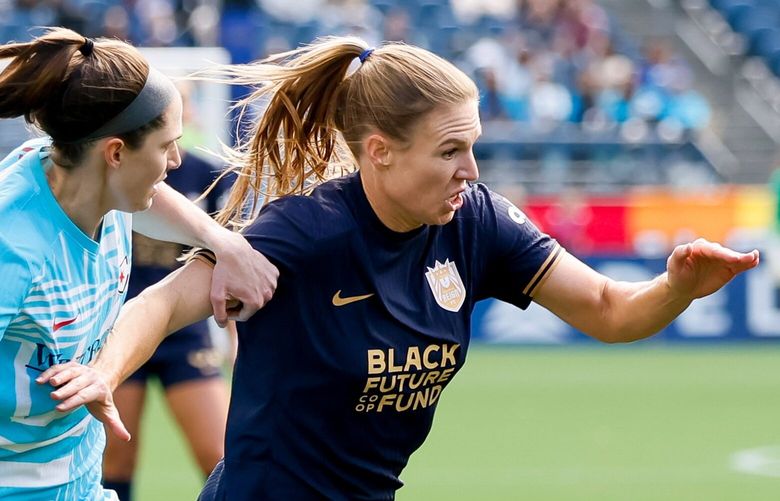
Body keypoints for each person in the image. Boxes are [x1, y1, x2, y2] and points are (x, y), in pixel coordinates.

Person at [42, 37, 759, 500]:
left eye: (473, 146)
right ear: (380, 151)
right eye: (449, 151)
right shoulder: (307, 229)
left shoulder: (476, 220)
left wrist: (675, 287)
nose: (470, 171)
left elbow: (607, 307)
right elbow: (162, 303)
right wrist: (105, 370)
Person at [0, 27, 278, 500]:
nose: (175, 161)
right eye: (166, 145)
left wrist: (221, 242)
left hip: (81, 486)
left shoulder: (77, 176)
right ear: (116, 154)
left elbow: (157, 205)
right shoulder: (14, 247)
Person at [102, 83, 235, 501]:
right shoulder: (113, 170)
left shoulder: (206, 173)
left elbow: (226, 257)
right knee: (116, 460)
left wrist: (234, 338)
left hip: (185, 333)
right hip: (123, 328)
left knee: (222, 454)